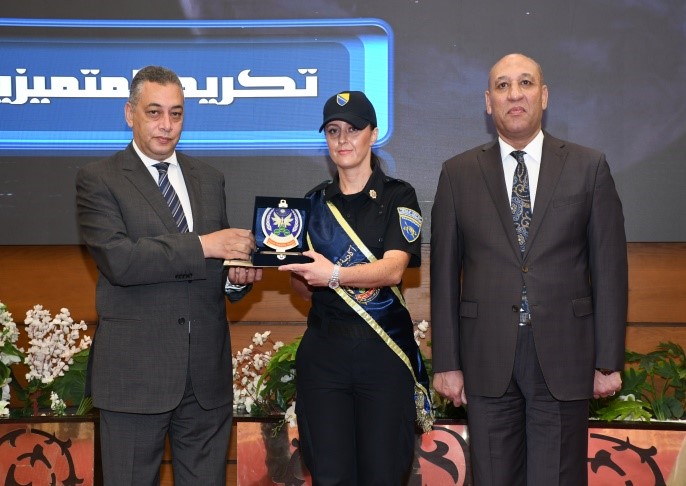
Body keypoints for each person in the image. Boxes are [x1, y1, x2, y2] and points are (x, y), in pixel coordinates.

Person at [430, 53, 628, 485]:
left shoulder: (588, 167)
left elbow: (609, 269)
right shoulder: (458, 174)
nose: (514, 94)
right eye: (502, 86)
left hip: (565, 354)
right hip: (486, 357)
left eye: (525, 83)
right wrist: (446, 362)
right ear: (488, 102)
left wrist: (608, 359)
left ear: (544, 96)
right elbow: (443, 277)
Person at [75, 65, 262, 485]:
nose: (166, 125)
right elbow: (121, 261)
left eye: (176, 114)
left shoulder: (209, 179)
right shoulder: (98, 179)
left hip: (205, 380)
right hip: (135, 376)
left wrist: (235, 278)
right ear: (130, 114)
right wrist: (204, 245)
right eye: (154, 112)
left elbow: (215, 265)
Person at [278, 91, 433, 485]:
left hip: (382, 353)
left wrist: (333, 274)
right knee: (329, 474)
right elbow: (303, 290)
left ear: (373, 134)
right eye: (333, 131)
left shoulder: (399, 195)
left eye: (353, 129)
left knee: (384, 473)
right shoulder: (311, 204)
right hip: (324, 354)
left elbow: (394, 269)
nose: (343, 139)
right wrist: (289, 266)